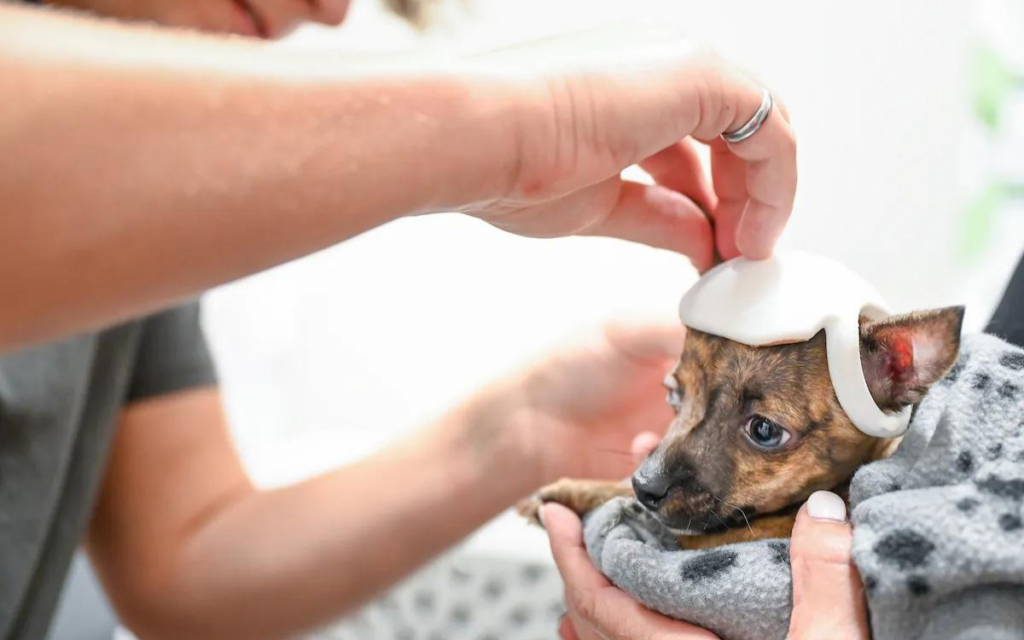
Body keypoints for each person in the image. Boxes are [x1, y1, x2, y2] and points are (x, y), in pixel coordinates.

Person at [0, 1, 873, 639]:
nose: (333, 12)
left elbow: (181, 569)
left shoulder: (143, 230)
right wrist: (528, 128)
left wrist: (527, 428)